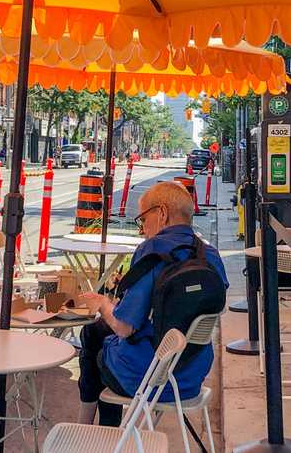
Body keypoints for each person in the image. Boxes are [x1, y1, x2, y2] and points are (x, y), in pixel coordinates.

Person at [76, 181, 228, 426]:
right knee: (100, 334)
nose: (142, 229)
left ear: (162, 213)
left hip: (146, 378)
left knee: (96, 340)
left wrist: (103, 303)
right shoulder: (210, 255)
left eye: (143, 219)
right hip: (192, 378)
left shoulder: (152, 250)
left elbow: (125, 327)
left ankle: (97, 429)